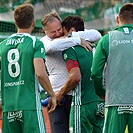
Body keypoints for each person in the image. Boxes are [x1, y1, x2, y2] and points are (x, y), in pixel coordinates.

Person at [40, 12, 102, 133]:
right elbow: (50, 47)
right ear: (44, 31)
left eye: (59, 29)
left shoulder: (68, 36)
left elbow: (97, 34)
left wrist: (72, 36)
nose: (57, 33)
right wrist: (78, 40)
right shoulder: (43, 42)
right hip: (57, 97)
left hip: (76, 96)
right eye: (53, 32)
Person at [0, 3, 57, 133]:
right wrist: (52, 95)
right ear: (33, 22)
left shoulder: (2, 46)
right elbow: (40, 74)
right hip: (29, 107)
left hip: (9, 108)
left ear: (15, 22)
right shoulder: (35, 43)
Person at [91, 3, 133, 133]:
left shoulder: (106, 39)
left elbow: (95, 72)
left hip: (114, 100)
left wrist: (101, 92)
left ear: (117, 19)